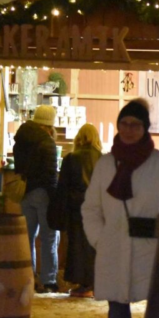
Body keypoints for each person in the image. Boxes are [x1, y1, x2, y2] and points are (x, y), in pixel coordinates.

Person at [82, 99, 159, 318]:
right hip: (114, 248)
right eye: (124, 123)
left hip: (153, 250)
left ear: (144, 128)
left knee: (158, 317)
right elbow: (91, 208)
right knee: (117, 315)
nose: (128, 129)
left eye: (135, 125)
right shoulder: (105, 165)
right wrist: (100, 239)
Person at [13, 104, 60, 293]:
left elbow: (18, 166)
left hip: (26, 191)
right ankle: (48, 281)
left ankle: (28, 277)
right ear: (49, 124)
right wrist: (54, 196)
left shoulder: (21, 138)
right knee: (49, 237)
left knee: (27, 237)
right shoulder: (47, 142)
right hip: (44, 193)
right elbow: (50, 174)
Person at [57, 123, 102, 298]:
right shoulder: (104, 159)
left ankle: (84, 286)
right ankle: (94, 284)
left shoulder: (71, 158)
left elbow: (63, 188)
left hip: (77, 208)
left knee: (77, 246)